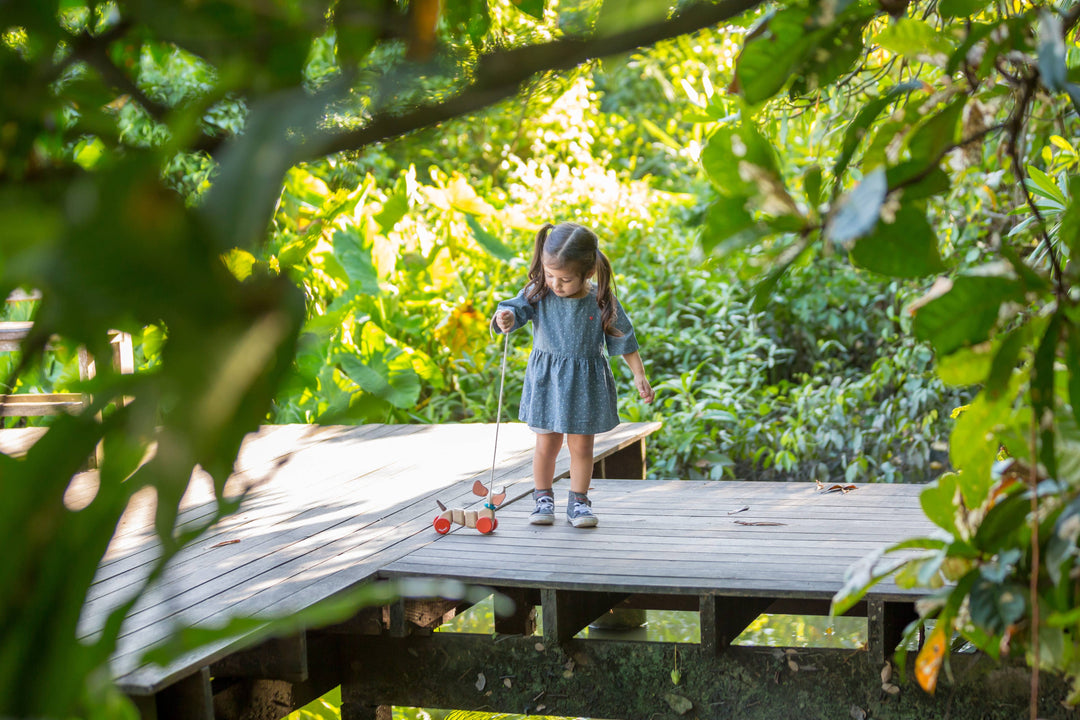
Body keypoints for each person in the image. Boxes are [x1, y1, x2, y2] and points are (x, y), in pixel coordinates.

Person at [493, 222, 655, 528]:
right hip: (548, 383)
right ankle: (543, 498)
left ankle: (579, 502)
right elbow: (515, 310)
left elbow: (623, 337)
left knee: (582, 447)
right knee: (547, 444)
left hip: (585, 384)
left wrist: (639, 375)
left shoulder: (600, 299)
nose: (555, 284)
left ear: (588, 272)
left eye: (565, 279)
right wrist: (507, 317)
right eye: (550, 274)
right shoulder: (539, 292)